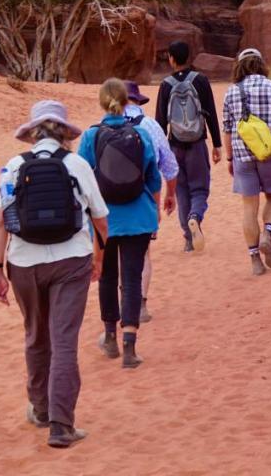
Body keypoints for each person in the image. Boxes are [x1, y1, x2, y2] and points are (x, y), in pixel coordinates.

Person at [0, 99, 109, 449]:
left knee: (35, 335)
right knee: (64, 341)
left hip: (24, 262)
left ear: (32, 133)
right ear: (64, 133)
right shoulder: (77, 164)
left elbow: (0, 222)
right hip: (71, 260)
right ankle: (61, 424)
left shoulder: (13, 166)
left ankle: (40, 409)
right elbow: (100, 218)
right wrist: (99, 256)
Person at [78, 78, 161, 368]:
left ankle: (109, 337)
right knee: (132, 278)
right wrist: (157, 207)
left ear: (102, 102)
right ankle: (130, 347)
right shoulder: (140, 134)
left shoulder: (90, 137)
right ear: (126, 101)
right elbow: (153, 174)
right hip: (138, 216)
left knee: (107, 276)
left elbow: (83, 178)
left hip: (104, 219)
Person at [222, 47, 271, 276]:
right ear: (260, 64)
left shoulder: (231, 92)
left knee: (249, 207)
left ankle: (255, 259)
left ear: (239, 65)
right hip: (269, 154)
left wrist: (230, 157)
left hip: (242, 156)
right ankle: (268, 234)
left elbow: (227, 129)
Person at [155, 40, 222, 253]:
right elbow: (210, 112)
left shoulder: (165, 85)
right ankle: (196, 217)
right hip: (197, 143)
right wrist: (217, 145)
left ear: (172, 59)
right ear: (189, 57)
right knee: (200, 188)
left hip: (175, 146)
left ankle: (188, 238)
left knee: (181, 190)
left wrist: (161, 152)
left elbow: (159, 122)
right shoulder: (201, 80)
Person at [123, 80, 178, 322]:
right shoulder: (150, 125)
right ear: (138, 101)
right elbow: (170, 166)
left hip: (110, 204)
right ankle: (141, 304)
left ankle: (123, 300)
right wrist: (170, 195)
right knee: (142, 253)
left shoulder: (101, 127)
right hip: (144, 199)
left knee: (116, 254)